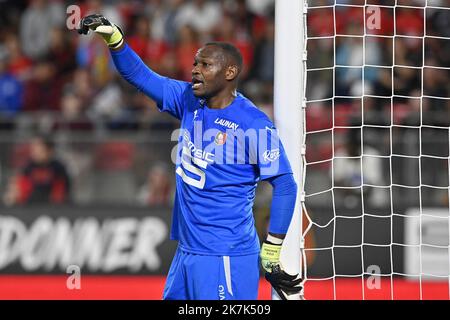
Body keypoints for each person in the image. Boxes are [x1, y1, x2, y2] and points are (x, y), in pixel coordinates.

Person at [77, 14, 301, 300]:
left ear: (230, 72)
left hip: (224, 256)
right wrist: (114, 38)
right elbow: (141, 76)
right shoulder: (188, 99)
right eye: (195, 63)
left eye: (205, 65)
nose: (195, 70)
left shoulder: (253, 123)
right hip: (186, 252)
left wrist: (271, 250)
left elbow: (285, 185)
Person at [4, 136, 71, 205]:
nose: (35, 152)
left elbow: (61, 193)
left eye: (39, 149)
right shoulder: (28, 167)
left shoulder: (58, 168)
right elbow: (18, 188)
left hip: (51, 207)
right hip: (29, 206)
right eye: (33, 148)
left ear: (49, 150)